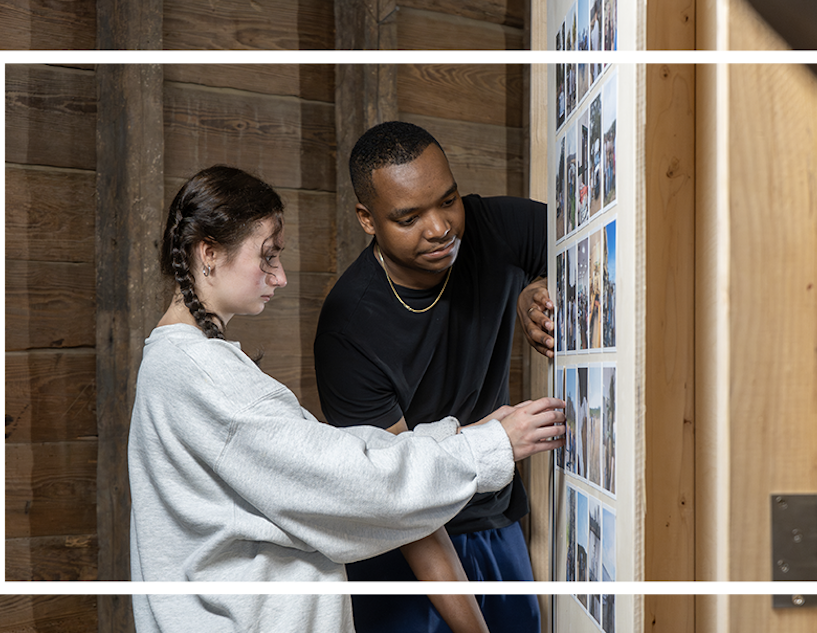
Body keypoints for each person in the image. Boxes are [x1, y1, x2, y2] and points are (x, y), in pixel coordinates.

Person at [128, 165, 567, 632]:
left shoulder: (177, 362)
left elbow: (329, 458)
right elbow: (352, 481)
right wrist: (490, 445)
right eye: (267, 257)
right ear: (209, 252)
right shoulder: (205, 376)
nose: (279, 277)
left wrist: (464, 433)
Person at [315, 121, 561, 633]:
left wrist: (532, 288)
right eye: (409, 217)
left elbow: (591, 238)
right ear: (367, 219)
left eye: (447, 201)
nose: (439, 227)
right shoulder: (348, 326)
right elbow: (397, 496)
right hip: (402, 551)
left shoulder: (495, 227)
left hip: (495, 522)